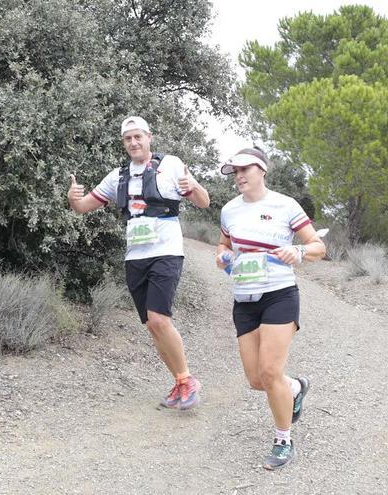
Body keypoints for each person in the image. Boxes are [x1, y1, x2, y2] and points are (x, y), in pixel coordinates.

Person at [67, 116, 210, 409]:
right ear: (124, 143)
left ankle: (187, 379)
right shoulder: (117, 176)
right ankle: (179, 383)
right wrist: (72, 198)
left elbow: (204, 201)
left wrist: (192, 187)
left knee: (160, 319)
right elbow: (82, 208)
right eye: (128, 138)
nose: (133, 142)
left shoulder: (170, 165)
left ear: (149, 137)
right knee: (152, 325)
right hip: (135, 256)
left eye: (138, 137)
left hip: (167, 251)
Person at [215, 147, 325, 470]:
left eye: (244, 169)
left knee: (269, 371)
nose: (239, 176)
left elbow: (319, 246)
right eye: (234, 171)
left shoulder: (285, 205)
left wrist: (299, 252)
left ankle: (283, 440)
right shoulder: (229, 211)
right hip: (244, 301)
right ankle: (295, 387)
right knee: (255, 379)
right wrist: (222, 256)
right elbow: (224, 245)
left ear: (262, 170)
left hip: (279, 295)